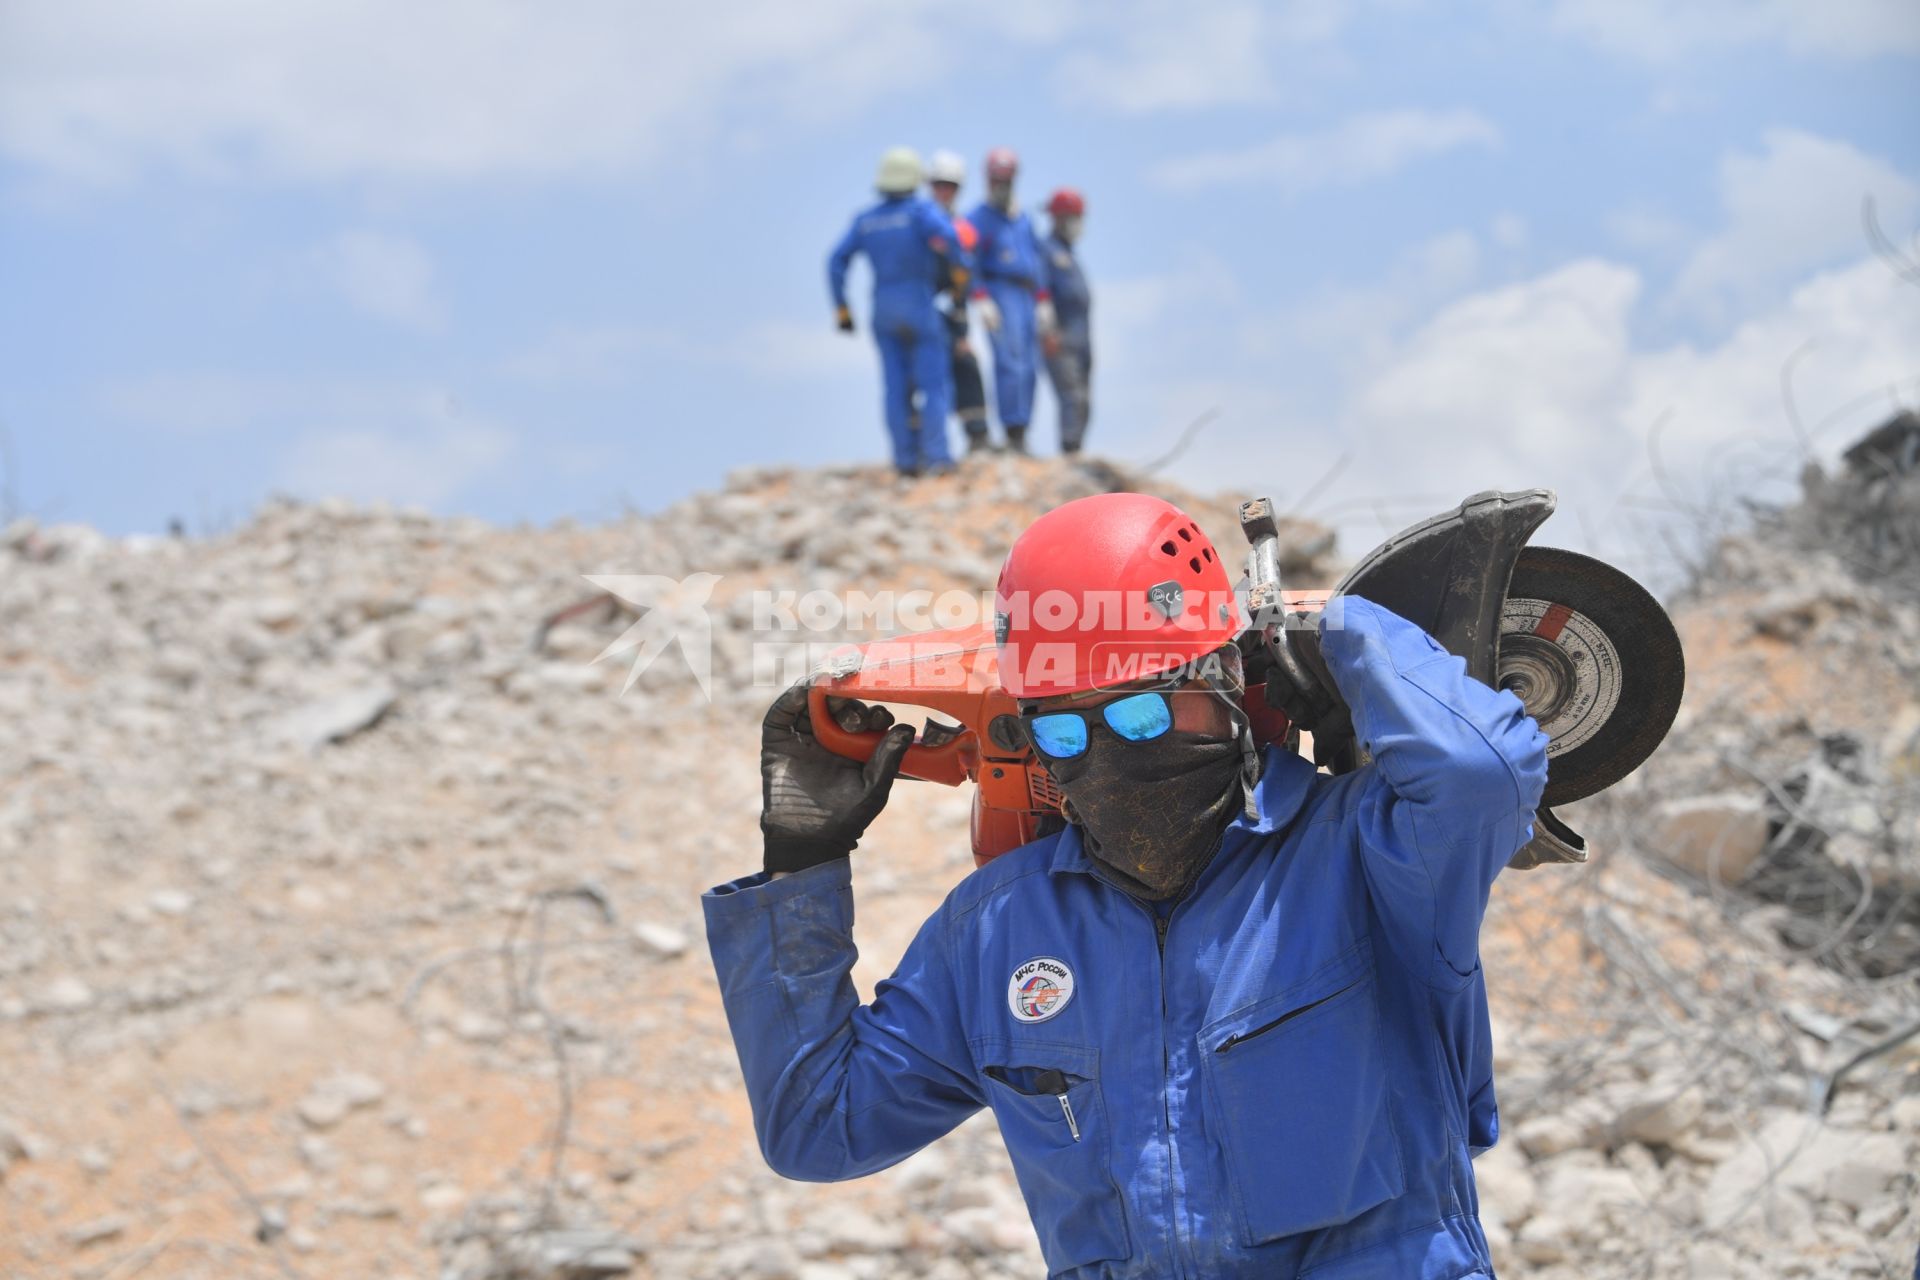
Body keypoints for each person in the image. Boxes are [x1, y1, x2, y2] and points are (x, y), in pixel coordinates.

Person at [705, 492, 1551, 1278]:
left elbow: (1481, 776)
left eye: (1142, 712)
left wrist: (1339, 634)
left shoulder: (1366, 855)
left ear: (1224, 680)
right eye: (1067, 727)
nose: (1110, 749)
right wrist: (802, 864)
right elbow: (816, 1127)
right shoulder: (1000, 931)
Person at [828, 146, 963, 477]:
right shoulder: (920, 212)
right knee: (933, 385)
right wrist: (959, 279)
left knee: (894, 387)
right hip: (919, 303)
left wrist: (842, 309)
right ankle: (936, 458)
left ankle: (904, 461)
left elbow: (835, 262)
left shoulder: (866, 220)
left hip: (883, 309)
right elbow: (950, 237)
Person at [967, 147, 1050, 455]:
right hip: (999, 292)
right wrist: (980, 298)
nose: (1002, 185)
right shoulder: (977, 219)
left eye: (1007, 179)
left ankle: (1024, 429)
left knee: (1030, 365)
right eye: (997, 180)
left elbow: (1037, 257)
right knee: (1009, 362)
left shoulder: (1022, 217)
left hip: (1027, 294)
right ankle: (1012, 429)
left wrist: (1043, 299)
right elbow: (969, 263)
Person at [926, 150, 994, 453]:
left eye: (950, 186)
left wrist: (964, 324)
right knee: (927, 375)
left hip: (953, 309)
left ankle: (977, 436)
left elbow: (967, 275)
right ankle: (928, 447)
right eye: (939, 184)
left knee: (966, 365)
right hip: (924, 307)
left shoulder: (964, 229)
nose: (944, 191)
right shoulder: (921, 223)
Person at [1040, 187, 1092, 454]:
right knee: (1072, 397)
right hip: (1061, 339)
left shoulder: (1070, 254)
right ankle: (1070, 450)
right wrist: (1048, 330)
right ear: (1059, 218)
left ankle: (1077, 447)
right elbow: (1041, 293)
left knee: (1084, 400)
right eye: (1074, 217)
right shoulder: (1048, 252)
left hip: (1081, 339)